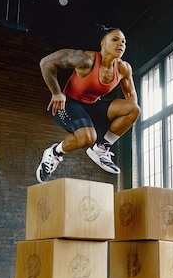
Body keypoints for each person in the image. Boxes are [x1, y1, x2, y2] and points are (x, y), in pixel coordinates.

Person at [35, 25, 141, 183]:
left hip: (92, 107)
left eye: (124, 42)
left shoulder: (123, 68)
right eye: (115, 39)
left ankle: (102, 148)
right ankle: (54, 152)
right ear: (103, 43)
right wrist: (57, 93)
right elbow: (46, 63)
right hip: (68, 106)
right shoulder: (85, 60)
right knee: (88, 138)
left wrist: (125, 123)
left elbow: (131, 95)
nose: (121, 44)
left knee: (134, 109)